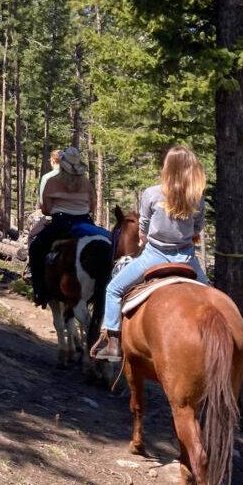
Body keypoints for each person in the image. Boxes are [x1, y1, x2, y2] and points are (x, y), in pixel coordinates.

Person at [91, 145, 209, 362]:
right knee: (211, 298)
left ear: (168, 167)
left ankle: (114, 344)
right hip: (187, 258)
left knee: (114, 289)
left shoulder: (151, 193)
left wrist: (145, 237)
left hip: (154, 256)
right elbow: (197, 229)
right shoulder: (196, 196)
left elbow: (143, 227)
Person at [28, 147, 98, 305]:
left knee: (36, 249)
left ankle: (40, 291)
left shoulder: (52, 181)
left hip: (61, 222)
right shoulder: (86, 183)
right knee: (109, 243)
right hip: (85, 222)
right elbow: (92, 207)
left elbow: (45, 209)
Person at [26, 150, 64, 245]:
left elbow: (43, 201)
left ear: (53, 161)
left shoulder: (47, 177)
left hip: (51, 218)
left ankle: (34, 259)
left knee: (32, 236)